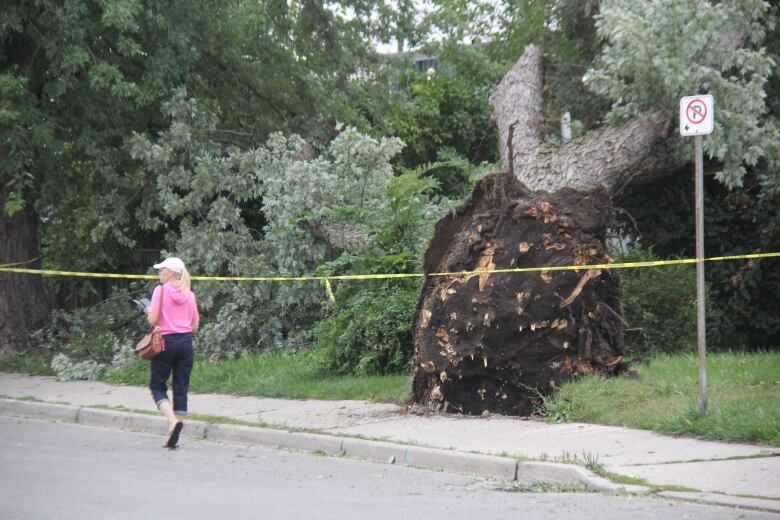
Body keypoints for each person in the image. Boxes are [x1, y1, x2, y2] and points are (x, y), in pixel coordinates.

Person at [146, 257, 199, 448]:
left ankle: (172, 421)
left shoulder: (160, 291)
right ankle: (172, 434)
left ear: (170, 273)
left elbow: (153, 320)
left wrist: (147, 311)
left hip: (165, 342)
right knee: (181, 386)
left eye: (161, 271)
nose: (159, 274)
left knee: (157, 385)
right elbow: (195, 326)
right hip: (186, 343)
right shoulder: (189, 294)